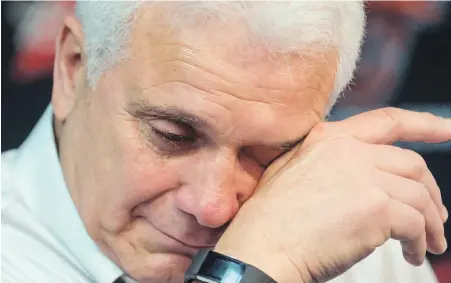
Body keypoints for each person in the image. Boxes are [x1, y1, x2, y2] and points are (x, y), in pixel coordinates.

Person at [2, 1, 449, 283]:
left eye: (274, 154)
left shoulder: (345, 232)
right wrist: (246, 274)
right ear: (73, 68)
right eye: (173, 136)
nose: (213, 205)